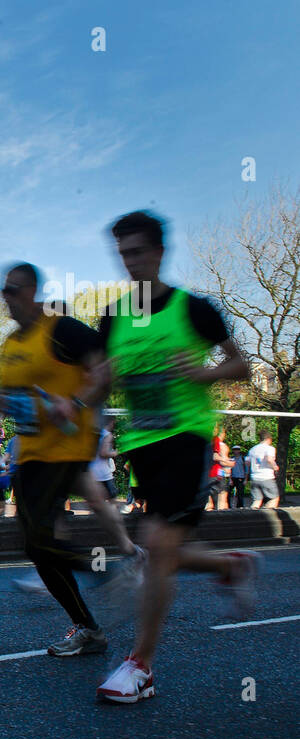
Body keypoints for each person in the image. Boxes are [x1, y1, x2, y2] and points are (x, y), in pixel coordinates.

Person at [94, 210, 258, 703]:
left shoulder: (193, 310)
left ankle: (140, 665)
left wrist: (201, 372)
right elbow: (99, 378)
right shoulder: (114, 316)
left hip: (187, 438)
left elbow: (242, 365)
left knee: (157, 544)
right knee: (159, 550)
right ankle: (230, 566)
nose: (130, 262)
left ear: (160, 252)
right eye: (123, 254)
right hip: (142, 445)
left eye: (139, 251)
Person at [0, 262, 127, 658]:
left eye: (14, 290)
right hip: (30, 452)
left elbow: (106, 372)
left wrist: (77, 402)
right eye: (3, 290)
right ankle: (90, 624)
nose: (7, 297)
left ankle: (103, 576)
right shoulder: (11, 346)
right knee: (36, 545)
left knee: (39, 539)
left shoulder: (62, 329)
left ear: (32, 290)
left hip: (69, 448)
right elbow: (15, 398)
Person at [247, 432, 279, 510]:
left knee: (257, 500)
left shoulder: (252, 449)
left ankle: (252, 516)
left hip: (254, 477)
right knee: (274, 498)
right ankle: (267, 517)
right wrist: (275, 467)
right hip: (266, 477)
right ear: (268, 439)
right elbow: (269, 459)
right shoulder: (269, 448)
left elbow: (247, 462)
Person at [206, 426, 232, 510]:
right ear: (222, 433)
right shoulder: (217, 441)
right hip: (217, 474)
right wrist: (227, 461)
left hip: (207, 474)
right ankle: (222, 519)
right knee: (222, 497)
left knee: (209, 501)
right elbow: (215, 456)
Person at [228, 444, 249, 509]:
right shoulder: (231, 459)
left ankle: (240, 506)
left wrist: (246, 479)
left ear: (239, 451)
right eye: (234, 450)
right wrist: (230, 479)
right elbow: (229, 470)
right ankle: (228, 506)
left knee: (240, 494)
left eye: (237, 450)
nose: (236, 451)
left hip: (241, 478)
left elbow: (246, 470)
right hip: (233, 478)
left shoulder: (243, 459)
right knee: (227, 492)